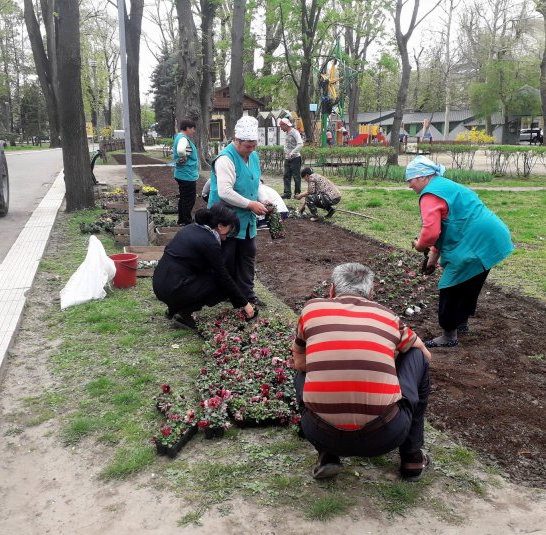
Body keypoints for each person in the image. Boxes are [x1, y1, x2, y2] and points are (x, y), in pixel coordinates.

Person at [292, 263, 432, 481]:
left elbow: (299, 362)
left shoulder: (311, 310)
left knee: (304, 372)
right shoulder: (389, 318)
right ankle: (412, 457)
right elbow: (425, 355)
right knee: (416, 356)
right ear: (372, 293)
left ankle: (327, 455)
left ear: (331, 290)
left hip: (321, 433)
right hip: (385, 436)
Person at [406, 156, 514, 348]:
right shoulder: (444, 185)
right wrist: (432, 258)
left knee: (451, 286)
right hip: (492, 237)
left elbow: (430, 233)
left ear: (422, 177)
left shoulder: (429, 195)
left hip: (474, 241)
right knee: (470, 280)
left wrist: (420, 246)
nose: (409, 186)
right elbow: (446, 228)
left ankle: (449, 335)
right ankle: (462, 322)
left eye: (410, 180)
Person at [152, 203, 256, 330]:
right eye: (230, 227)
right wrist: (244, 304)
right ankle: (183, 311)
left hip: (160, 283)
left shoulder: (191, 228)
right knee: (222, 284)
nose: (229, 233)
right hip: (174, 288)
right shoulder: (210, 242)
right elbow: (223, 277)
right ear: (220, 226)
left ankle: (175, 307)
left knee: (213, 276)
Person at [208, 115, 269, 307]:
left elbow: (254, 180)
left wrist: (263, 200)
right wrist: (251, 205)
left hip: (246, 218)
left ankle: (247, 294)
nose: (251, 149)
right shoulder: (226, 159)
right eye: (247, 146)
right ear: (237, 140)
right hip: (226, 217)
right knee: (228, 256)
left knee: (247, 253)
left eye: (254, 145)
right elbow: (225, 191)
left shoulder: (253, 156)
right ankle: (226, 293)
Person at [172, 119, 199, 225]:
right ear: (187, 128)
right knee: (189, 199)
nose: (194, 131)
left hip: (181, 173)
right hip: (187, 174)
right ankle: (187, 221)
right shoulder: (183, 139)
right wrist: (183, 156)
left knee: (183, 198)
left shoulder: (178, 137)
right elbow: (180, 150)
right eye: (193, 129)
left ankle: (182, 219)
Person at [279, 118, 303, 199]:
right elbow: (286, 144)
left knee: (296, 176)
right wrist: (285, 151)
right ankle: (287, 193)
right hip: (287, 158)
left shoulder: (295, 132)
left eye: (281, 126)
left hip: (295, 158)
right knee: (286, 176)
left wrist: (292, 153)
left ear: (285, 125)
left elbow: (300, 144)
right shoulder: (287, 133)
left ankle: (297, 193)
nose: (281, 128)